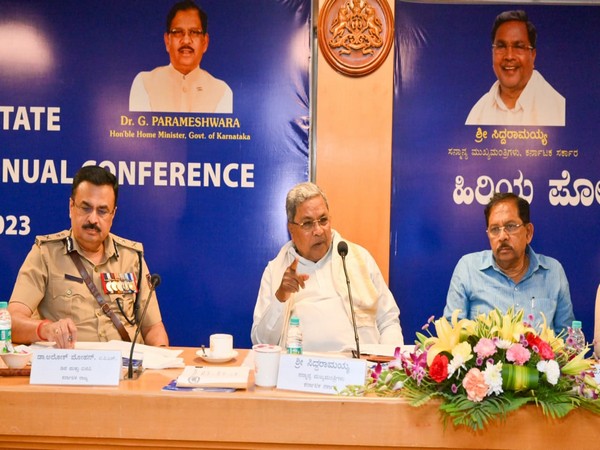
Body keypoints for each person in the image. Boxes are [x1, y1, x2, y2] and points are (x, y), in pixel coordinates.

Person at [8, 166, 169, 349]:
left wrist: (160, 360)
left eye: (102, 211)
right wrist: (47, 329)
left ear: (113, 214)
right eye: (86, 208)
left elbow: (153, 328)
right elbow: (11, 322)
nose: (93, 219)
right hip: (69, 371)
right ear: (71, 207)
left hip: (124, 371)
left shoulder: (131, 257)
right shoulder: (45, 254)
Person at [251, 182, 404, 353]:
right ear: (291, 229)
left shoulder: (358, 259)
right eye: (307, 224)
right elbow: (261, 341)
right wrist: (281, 297)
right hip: (301, 373)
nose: (318, 230)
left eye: (323, 220)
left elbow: (389, 321)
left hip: (361, 371)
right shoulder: (276, 271)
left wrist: (387, 365)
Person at [444, 192, 574, 335]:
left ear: (528, 232)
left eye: (511, 226)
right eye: (494, 229)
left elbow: (567, 339)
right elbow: (451, 336)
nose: (502, 236)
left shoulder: (553, 272)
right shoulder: (468, 269)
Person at [129, 0, 233, 113]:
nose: (186, 40)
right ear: (167, 41)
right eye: (178, 32)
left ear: (205, 42)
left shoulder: (222, 91)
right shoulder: (144, 84)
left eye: (194, 32)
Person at [465, 10, 565, 126]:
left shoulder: (559, 109)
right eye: (501, 46)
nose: (509, 56)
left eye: (518, 47)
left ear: (533, 55)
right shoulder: (478, 113)